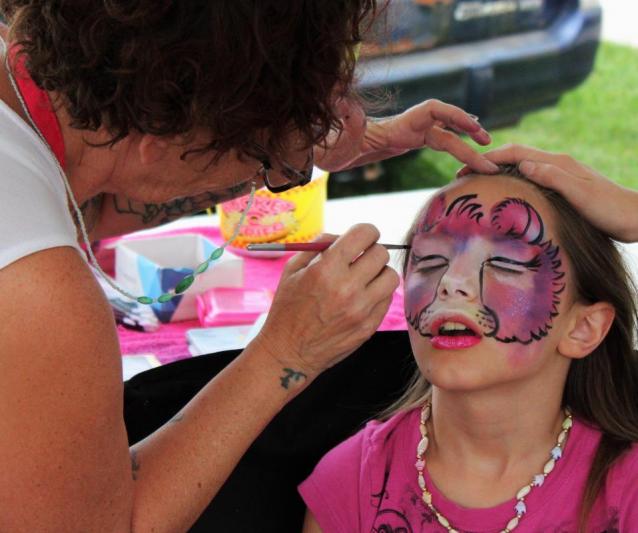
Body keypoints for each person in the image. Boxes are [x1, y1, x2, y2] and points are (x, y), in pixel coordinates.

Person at [0, 1, 505, 531]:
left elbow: (92, 191)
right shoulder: (39, 296)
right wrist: (284, 354)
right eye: (270, 167)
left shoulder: (38, 101)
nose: (268, 181)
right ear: (161, 140)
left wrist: (303, 141)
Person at [299, 166, 638, 532]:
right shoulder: (351, 481)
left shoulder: (627, 487)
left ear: (583, 328)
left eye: (504, 264)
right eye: (430, 260)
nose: (451, 282)